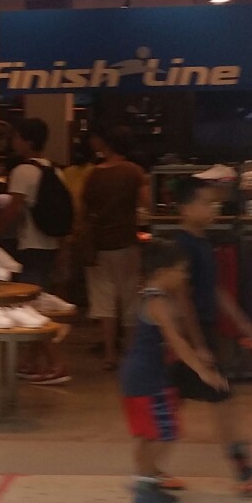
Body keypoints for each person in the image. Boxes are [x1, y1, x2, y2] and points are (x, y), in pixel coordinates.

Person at [169, 174, 252, 498]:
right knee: (219, 396)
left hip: (200, 333)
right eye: (206, 203)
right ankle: (245, 470)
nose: (213, 208)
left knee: (173, 400)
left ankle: (149, 471)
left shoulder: (202, 243)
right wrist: (197, 345)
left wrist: (241, 321)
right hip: (190, 335)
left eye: (214, 203)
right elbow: (182, 298)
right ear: (185, 208)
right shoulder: (181, 246)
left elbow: (215, 289)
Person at [120, 243, 230, 503]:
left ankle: (145, 480)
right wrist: (203, 372)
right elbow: (176, 342)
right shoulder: (158, 302)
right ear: (162, 272)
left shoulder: (149, 298)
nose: (184, 276)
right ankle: (145, 483)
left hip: (138, 376)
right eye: (181, 271)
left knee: (150, 434)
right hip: (148, 378)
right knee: (165, 432)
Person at [3, 117, 70, 385]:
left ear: (28, 141)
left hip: (31, 246)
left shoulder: (23, 171)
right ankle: (30, 362)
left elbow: (12, 210)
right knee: (36, 304)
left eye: (17, 137)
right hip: (50, 246)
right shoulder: (55, 171)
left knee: (29, 308)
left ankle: (56, 363)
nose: (13, 141)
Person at [78, 125, 148, 369]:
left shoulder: (93, 174)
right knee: (129, 298)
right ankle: (130, 352)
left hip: (98, 245)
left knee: (104, 300)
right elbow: (147, 204)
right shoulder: (134, 172)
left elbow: (83, 210)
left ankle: (109, 354)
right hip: (126, 241)